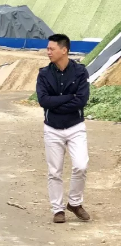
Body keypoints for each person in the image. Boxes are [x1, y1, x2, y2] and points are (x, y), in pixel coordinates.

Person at [36, 34, 91, 224]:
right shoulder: (44, 74)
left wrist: (56, 104)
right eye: (48, 48)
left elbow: (81, 100)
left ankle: (75, 203)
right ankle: (58, 209)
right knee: (54, 171)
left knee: (81, 165)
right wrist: (69, 97)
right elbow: (44, 101)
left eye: (51, 49)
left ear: (64, 50)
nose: (48, 52)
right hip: (52, 128)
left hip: (76, 126)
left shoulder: (80, 72)